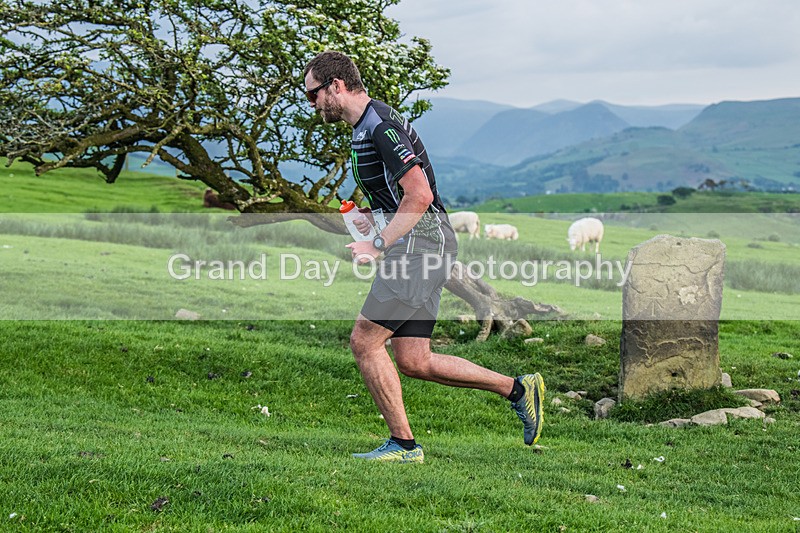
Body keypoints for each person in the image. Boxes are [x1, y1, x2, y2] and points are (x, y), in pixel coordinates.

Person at [303, 51, 544, 463]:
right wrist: (372, 220)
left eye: (313, 95)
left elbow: (420, 196)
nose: (312, 105)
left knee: (364, 341)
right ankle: (520, 389)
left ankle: (404, 445)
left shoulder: (381, 126)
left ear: (336, 86)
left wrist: (378, 245)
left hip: (421, 248)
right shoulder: (364, 127)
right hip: (420, 245)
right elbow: (400, 198)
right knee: (415, 359)